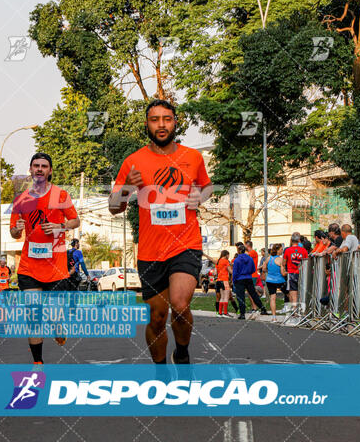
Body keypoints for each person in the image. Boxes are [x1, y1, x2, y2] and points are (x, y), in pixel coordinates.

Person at [109, 99, 212, 364]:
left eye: (167, 119)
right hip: (151, 250)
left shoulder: (192, 157)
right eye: (155, 120)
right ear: (147, 124)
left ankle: (183, 352)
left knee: (179, 304)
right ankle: (161, 371)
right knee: (156, 316)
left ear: (175, 122)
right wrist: (126, 189)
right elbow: (114, 207)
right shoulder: (133, 161)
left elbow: (207, 187)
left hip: (185, 244)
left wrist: (199, 196)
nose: (161, 124)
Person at [10, 152, 80, 365]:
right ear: (30, 170)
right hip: (29, 267)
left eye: (44, 166)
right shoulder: (21, 199)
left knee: (54, 315)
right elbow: (14, 233)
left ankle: (58, 328)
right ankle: (38, 364)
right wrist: (16, 229)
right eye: (36, 165)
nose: (39, 169)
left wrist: (60, 226)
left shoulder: (60, 195)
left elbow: (75, 221)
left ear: (49, 171)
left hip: (55, 267)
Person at [232, 243, 268, 320]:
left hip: (239, 279)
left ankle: (242, 314)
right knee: (253, 294)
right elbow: (253, 269)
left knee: (240, 296)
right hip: (248, 278)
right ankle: (262, 308)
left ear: (238, 251)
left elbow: (235, 272)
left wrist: (233, 280)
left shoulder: (237, 260)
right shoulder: (250, 259)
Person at [282, 232, 308, 308]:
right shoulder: (303, 250)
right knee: (301, 293)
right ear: (299, 240)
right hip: (302, 273)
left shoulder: (287, 250)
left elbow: (284, 263)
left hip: (291, 273)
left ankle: (294, 310)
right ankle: (301, 309)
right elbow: (306, 262)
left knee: (293, 293)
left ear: (291, 240)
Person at [262, 244, 286, 322]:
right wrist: (288, 273)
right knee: (289, 294)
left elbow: (264, 268)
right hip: (280, 280)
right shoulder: (280, 259)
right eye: (281, 249)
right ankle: (289, 313)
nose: (282, 250)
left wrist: (269, 271)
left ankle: (274, 317)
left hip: (270, 280)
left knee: (273, 298)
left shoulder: (268, 258)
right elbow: (283, 273)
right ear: (278, 250)